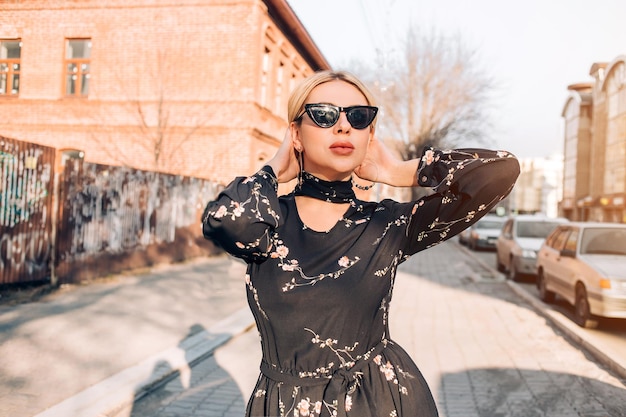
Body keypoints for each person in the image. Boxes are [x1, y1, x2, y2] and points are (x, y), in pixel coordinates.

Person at [202, 70, 520, 417]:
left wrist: (397, 172)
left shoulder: (388, 224)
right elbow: (223, 220)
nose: (343, 127)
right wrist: (275, 169)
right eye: (324, 115)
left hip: (379, 402)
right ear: (295, 132)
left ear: (370, 134)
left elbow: (499, 172)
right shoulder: (267, 224)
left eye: (358, 117)